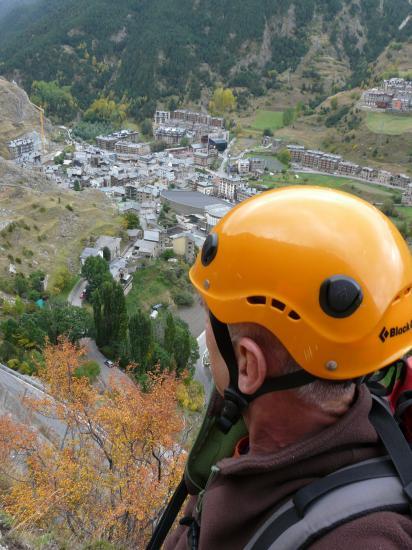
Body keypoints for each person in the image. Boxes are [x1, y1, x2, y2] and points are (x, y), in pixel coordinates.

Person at [164, 186, 412, 549]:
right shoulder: (250, 444)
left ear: (248, 365)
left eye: (209, 317)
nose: (205, 331)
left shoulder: (360, 541)